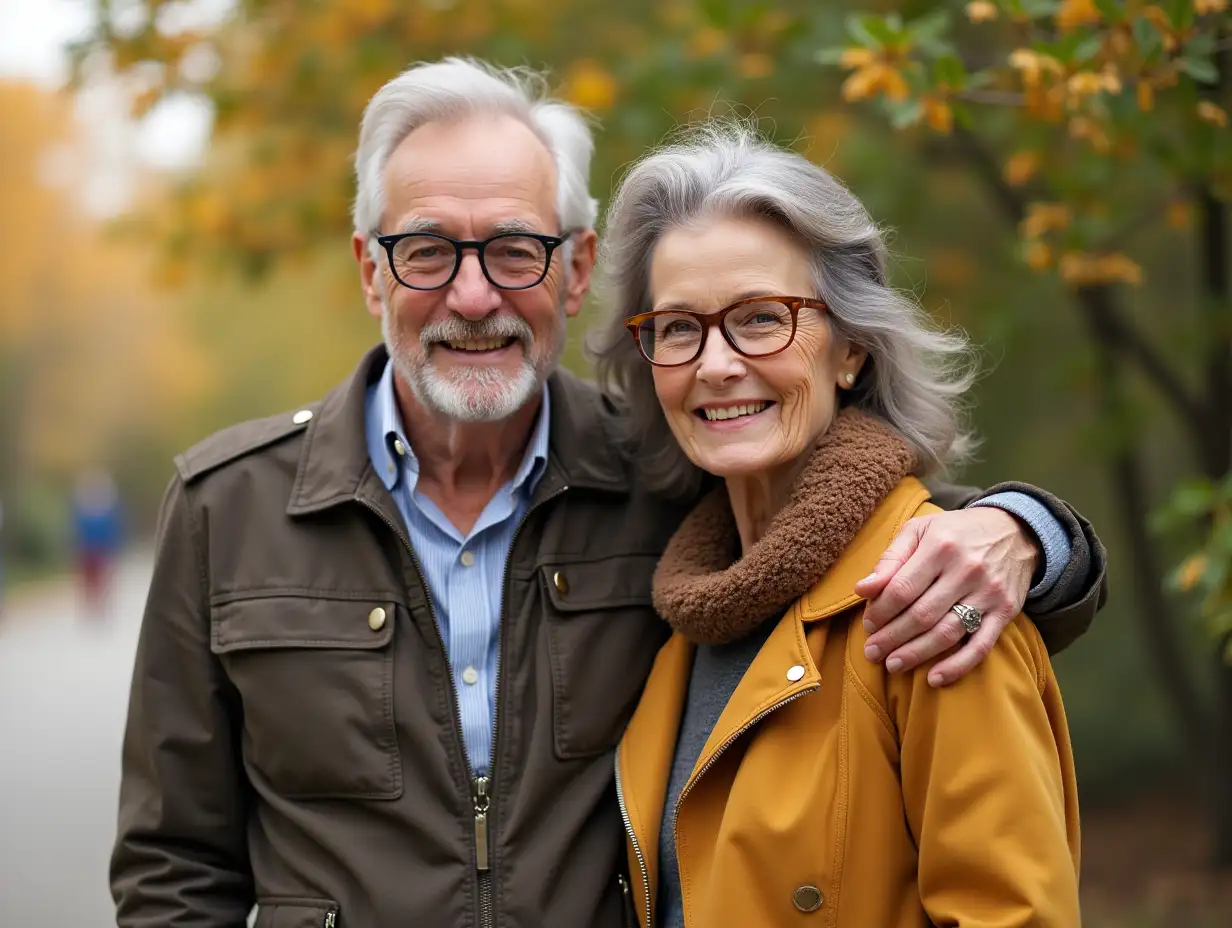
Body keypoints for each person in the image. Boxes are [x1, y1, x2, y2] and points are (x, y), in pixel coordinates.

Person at [111, 59, 1103, 928]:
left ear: (576, 268)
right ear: (370, 270)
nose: (470, 296)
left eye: (513, 248)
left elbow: (863, 529)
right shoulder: (226, 506)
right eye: (425, 250)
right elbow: (173, 867)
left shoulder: (662, 476)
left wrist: (1028, 530)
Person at [599, 122, 1080, 927]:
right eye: (679, 327)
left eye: (759, 318)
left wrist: (1032, 529)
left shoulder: (934, 601)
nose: (716, 364)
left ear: (850, 349)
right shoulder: (684, 617)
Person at [72, 470, 124, 615]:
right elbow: (77, 531)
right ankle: (91, 604)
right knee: (88, 578)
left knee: (102, 577)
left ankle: (101, 603)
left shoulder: (108, 509)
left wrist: (114, 548)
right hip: (87, 549)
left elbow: (114, 529)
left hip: (103, 549)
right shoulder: (83, 509)